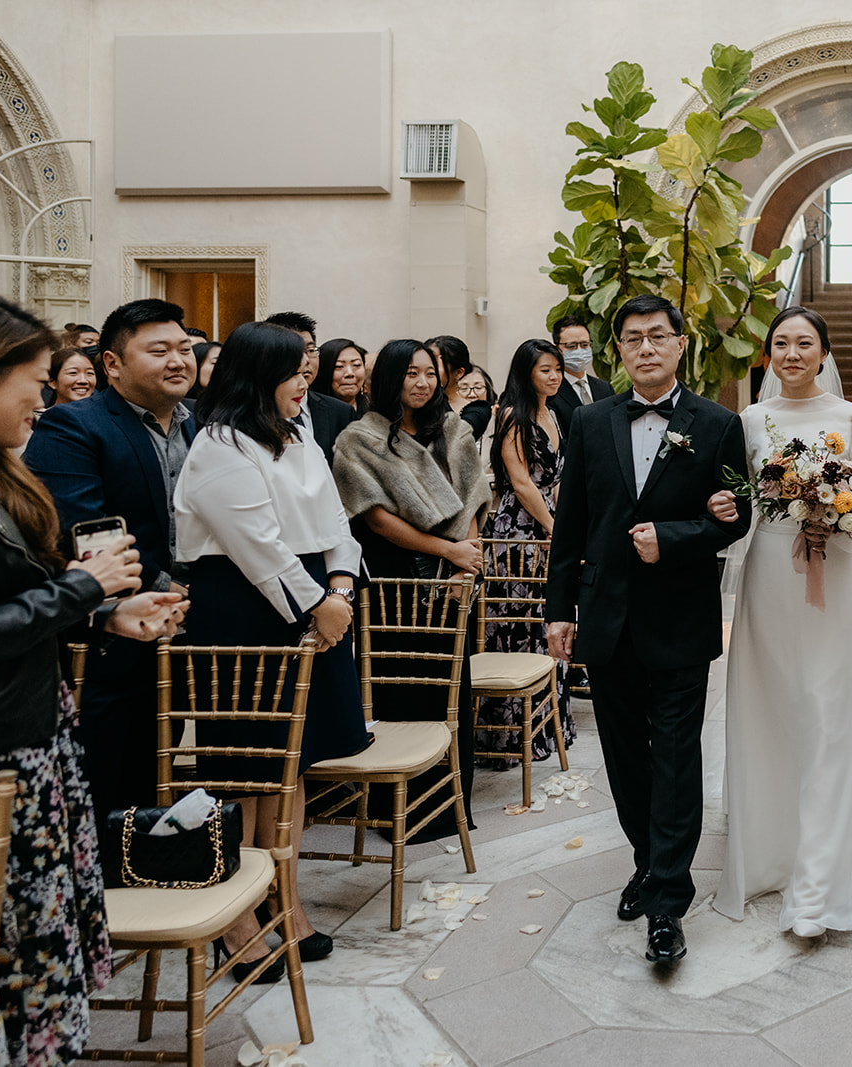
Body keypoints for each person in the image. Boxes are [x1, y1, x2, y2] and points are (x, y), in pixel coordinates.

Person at [0, 293, 185, 1065]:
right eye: (35, 377)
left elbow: (0, 598)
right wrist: (84, 590)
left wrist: (103, 615)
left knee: (25, 964)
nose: (50, 394)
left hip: (20, 744)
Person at [706, 306, 852, 937]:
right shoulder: (750, 420)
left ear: (824, 352)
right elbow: (737, 500)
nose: (792, 353)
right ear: (768, 354)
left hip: (830, 572)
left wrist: (838, 509)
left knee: (830, 706)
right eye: (781, 343)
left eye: (805, 343)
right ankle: (773, 842)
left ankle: (824, 878)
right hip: (769, 575)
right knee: (774, 704)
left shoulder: (849, 417)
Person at [544, 294, 750, 963]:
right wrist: (556, 609)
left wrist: (675, 535)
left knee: (676, 755)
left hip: (679, 618)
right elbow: (569, 524)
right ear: (619, 350)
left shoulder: (717, 424)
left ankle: (668, 901)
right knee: (627, 758)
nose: (645, 348)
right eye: (632, 339)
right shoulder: (589, 422)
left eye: (657, 336)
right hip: (606, 617)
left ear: (681, 344)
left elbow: (735, 515)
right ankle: (647, 860)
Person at [174, 321, 372, 978]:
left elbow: (335, 524)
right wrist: (319, 603)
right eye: (293, 370)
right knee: (241, 763)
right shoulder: (218, 444)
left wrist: (340, 582)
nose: (304, 382)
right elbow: (255, 543)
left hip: (316, 598)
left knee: (291, 761)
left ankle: (282, 897)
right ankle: (234, 915)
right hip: (243, 610)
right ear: (258, 374)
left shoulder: (299, 435)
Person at [25, 297, 198, 823]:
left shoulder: (199, 426)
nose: (178, 360)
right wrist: (175, 586)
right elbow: (80, 531)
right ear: (113, 364)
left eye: (184, 348)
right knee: (109, 786)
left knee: (159, 776)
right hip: (110, 635)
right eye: (159, 350)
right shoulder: (74, 427)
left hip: (185, 627)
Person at [331, 338, 489, 839]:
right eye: (409, 374)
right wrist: (447, 551)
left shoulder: (455, 430)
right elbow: (375, 519)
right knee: (400, 690)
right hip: (394, 579)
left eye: (428, 373)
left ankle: (449, 806)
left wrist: (465, 561)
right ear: (389, 379)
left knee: (449, 691)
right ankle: (399, 812)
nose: (421, 383)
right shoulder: (359, 439)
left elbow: (472, 500)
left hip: (452, 580)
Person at [477, 339, 575, 766]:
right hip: (520, 529)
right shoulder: (512, 416)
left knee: (550, 618)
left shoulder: (551, 412)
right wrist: (554, 528)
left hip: (551, 519)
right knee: (521, 619)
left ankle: (546, 725)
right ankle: (508, 735)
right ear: (525, 373)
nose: (554, 377)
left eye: (557, 369)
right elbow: (520, 482)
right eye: (545, 370)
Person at [265, 311, 353, 463]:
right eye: (296, 352)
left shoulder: (341, 412)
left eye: (311, 350)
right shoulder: (258, 416)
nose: (305, 360)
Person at [547, 315, 614, 442]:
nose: (579, 351)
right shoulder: (551, 391)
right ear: (556, 349)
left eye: (584, 345)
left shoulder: (605, 388)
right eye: (571, 346)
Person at [427, 335, 489, 442]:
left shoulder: (477, 410)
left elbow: (455, 441)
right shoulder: (415, 402)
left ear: (459, 372)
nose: (428, 369)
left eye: (435, 364)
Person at [317, 337, 370, 417]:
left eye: (356, 365)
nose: (350, 373)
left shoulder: (375, 409)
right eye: (339, 366)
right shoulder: (313, 414)